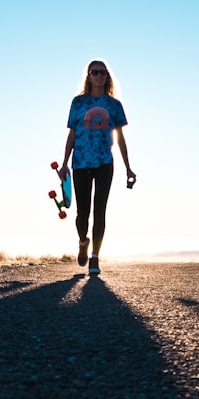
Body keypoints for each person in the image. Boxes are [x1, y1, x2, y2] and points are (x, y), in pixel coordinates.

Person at [60, 59, 136, 275]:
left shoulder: (114, 105)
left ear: (107, 76)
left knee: (99, 210)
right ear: (89, 76)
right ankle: (83, 241)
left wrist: (128, 168)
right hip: (81, 162)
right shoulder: (78, 103)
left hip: (105, 163)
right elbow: (72, 134)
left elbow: (120, 138)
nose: (99, 76)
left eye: (103, 72)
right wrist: (64, 163)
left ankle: (95, 257)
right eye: (95, 72)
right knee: (82, 213)